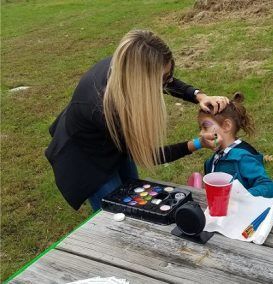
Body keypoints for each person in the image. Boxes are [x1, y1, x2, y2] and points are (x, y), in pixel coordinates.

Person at [45, 29, 229, 211]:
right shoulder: (106, 109)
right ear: (142, 81)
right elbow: (147, 154)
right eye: (162, 79)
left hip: (113, 142)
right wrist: (197, 143)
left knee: (133, 192)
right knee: (118, 213)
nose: (166, 83)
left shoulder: (127, 64)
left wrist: (199, 96)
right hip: (88, 161)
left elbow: (165, 79)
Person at [198, 92, 273, 198]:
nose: (201, 133)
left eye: (205, 127)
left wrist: (241, 197)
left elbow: (268, 187)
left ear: (226, 126)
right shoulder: (210, 162)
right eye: (200, 128)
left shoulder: (243, 158)